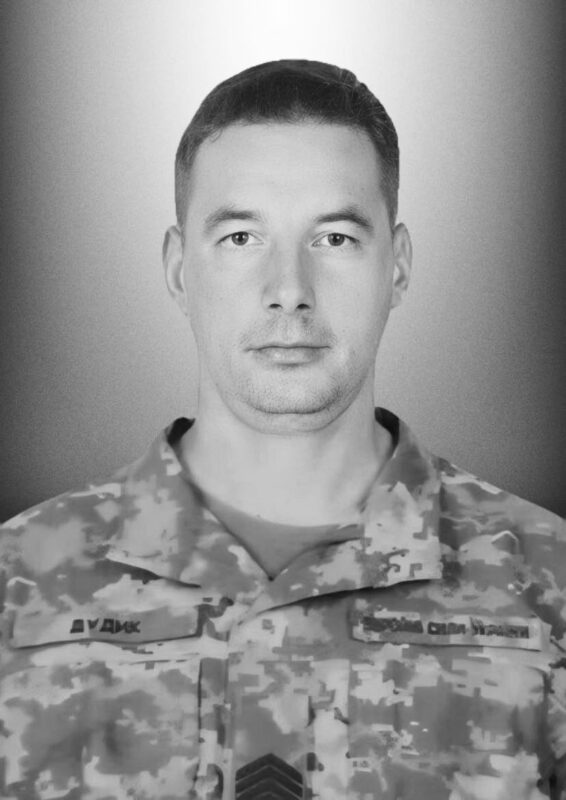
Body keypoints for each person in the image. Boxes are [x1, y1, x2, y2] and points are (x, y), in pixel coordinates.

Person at [0, 59, 564, 800]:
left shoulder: (547, 586)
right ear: (178, 269)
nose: (289, 291)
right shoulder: (17, 584)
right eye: (241, 238)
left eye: (334, 239)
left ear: (398, 267)